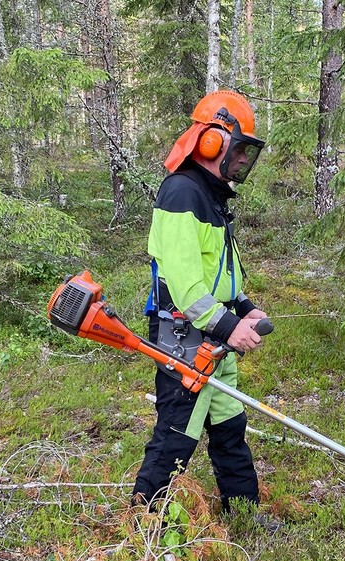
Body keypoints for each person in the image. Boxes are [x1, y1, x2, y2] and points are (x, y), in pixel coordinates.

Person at [132, 91, 268, 513]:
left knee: (230, 426)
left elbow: (220, 275)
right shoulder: (181, 194)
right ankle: (143, 521)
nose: (243, 159)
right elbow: (188, 288)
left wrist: (244, 309)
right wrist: (231, 327)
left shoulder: (211, 196)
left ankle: (243, 511)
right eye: (239, 148)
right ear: (211, 142)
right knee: (176, 435)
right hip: (184, 340)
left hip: (215, 337)